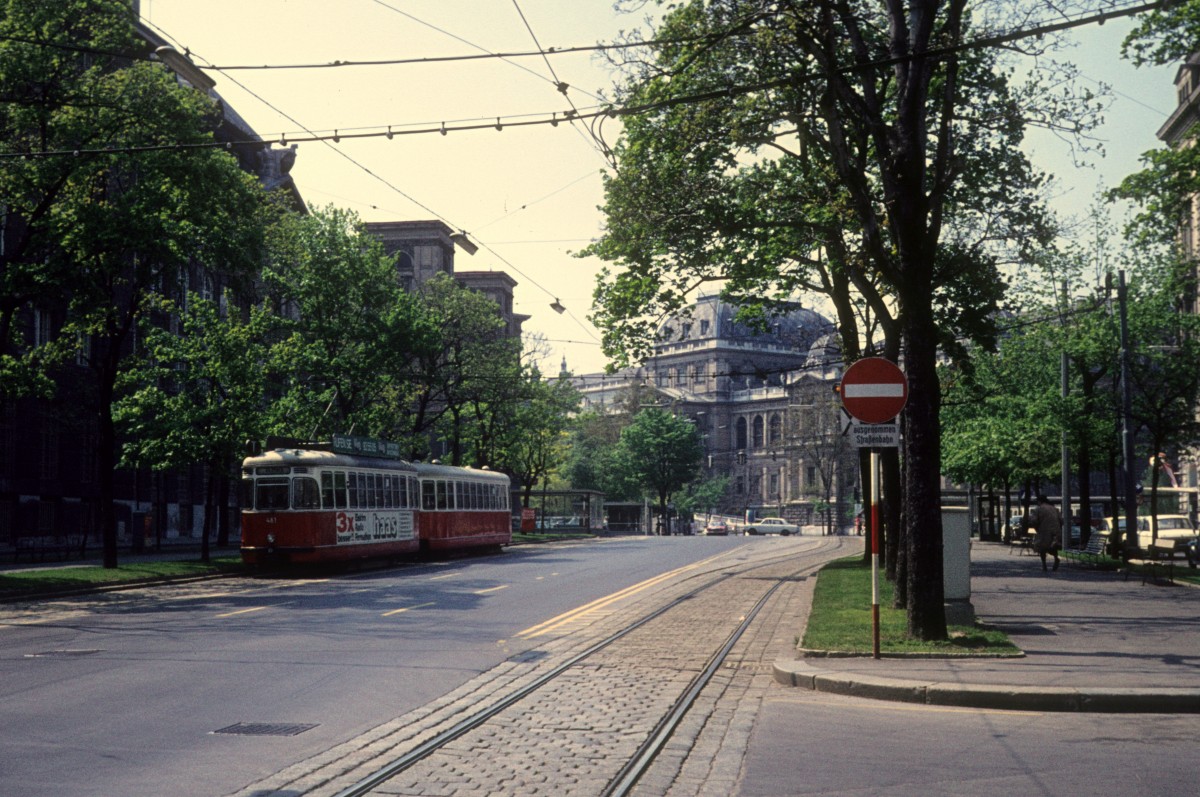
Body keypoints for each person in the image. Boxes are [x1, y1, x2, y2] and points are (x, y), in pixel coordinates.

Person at [1027, 494, 1063, 572]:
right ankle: (1056, 558)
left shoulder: (1039, 509)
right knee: (1052, 547)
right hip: (1056, 531)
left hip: (1044, 531)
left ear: (1039, 501)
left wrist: (1033, 525)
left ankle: (1044, 565)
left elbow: (1034, 521)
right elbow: (1061, 520)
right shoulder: (1054, 509)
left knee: (1042, 548)